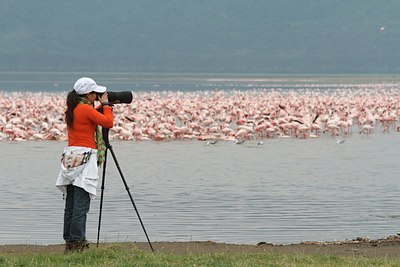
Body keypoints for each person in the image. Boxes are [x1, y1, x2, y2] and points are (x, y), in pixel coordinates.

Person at [56, 77, 114, 253]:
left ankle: (70, 241)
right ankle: (78, 242)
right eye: (95, 93)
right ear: (88, 94)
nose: (97, 96)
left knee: (72, 204)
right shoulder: (85, 109)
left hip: (71, 158)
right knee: (81, 204)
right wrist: (106, 105)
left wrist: (101, 105)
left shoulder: (74, 108)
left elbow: (90, 116)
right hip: (85, 159)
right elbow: (108, 122)